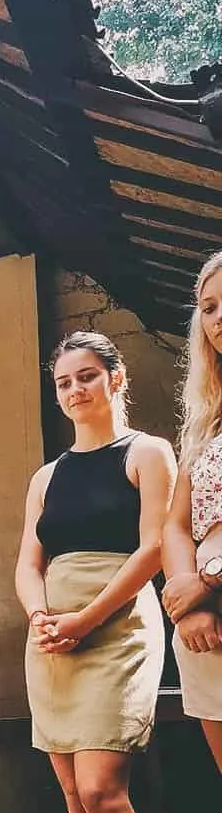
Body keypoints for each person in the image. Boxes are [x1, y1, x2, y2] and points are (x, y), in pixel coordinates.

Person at [15, 331, 175, 813]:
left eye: (87, 377)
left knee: (105, 788)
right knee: (74, 794)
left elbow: (153, 550)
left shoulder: (147, 453)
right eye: (64, 383)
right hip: (54, 635)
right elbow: (28, 559)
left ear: (115, 378)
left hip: (118, 626)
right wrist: (40, 616)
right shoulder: (47, 476)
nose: (75, 391)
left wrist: (86, 620)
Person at [163, 251, 222, 774]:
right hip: (205, 620)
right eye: (208, 306)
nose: (218, 316)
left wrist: (208, 580)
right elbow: (176, 524)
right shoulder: (202, 421)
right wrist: (189, 600)